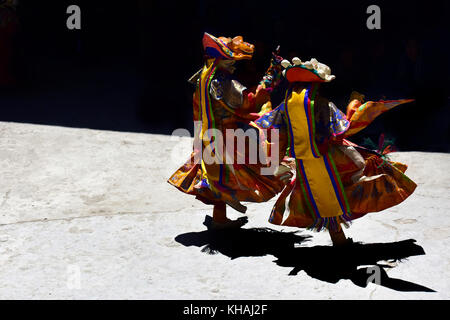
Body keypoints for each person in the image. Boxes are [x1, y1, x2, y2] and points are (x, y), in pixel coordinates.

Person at [254, 57, 417, 246]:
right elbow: (342, 128)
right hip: (326, 156)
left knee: (323, 197)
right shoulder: (323, 104)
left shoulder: (285, 107)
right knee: (356, 167)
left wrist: (277, 155)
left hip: (303, 161)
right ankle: (344, 230)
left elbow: (272, 127)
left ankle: (339, 238)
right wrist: (355, 107)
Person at [168, 33, 287, 229]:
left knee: (217, 177)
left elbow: (198, 108)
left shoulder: (203, 76)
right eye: (231, 60)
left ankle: (219, 219)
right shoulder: (223, 81)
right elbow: (249, 102)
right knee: (256, 166)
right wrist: (271, 77)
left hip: (207, 134)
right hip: (226, 136)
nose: (234, 64)